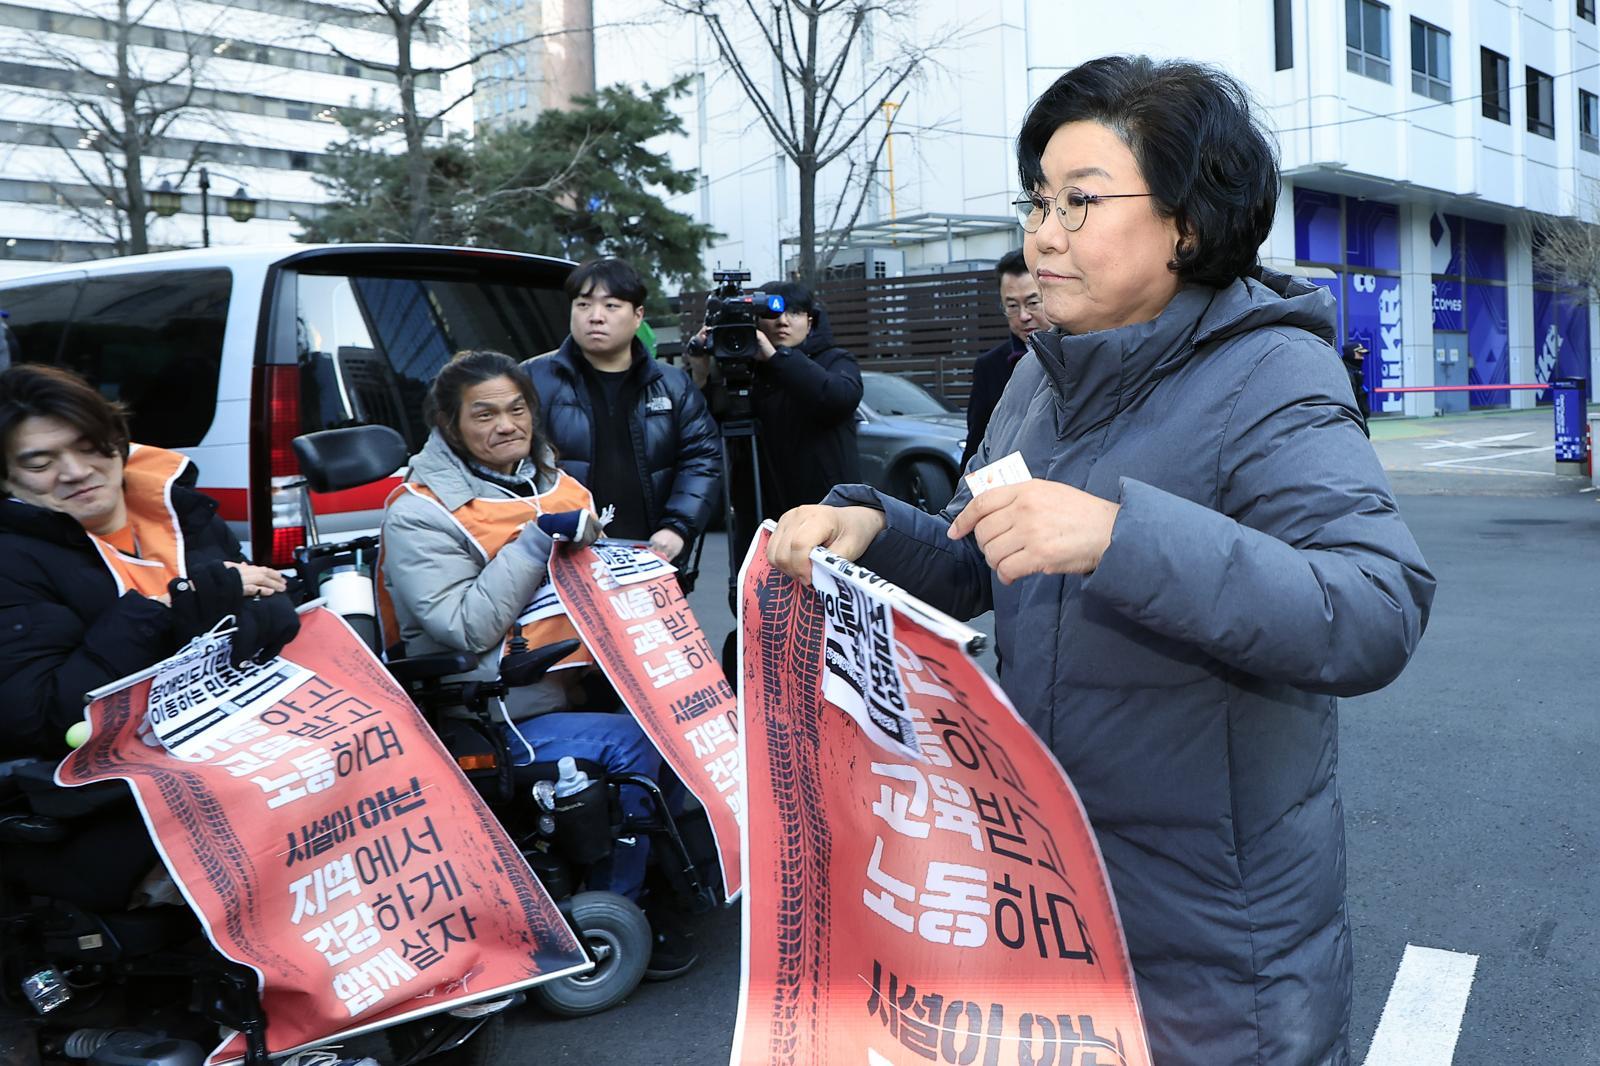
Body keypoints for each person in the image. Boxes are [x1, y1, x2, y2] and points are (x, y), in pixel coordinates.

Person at [769, 56, 1435, 1065]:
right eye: (1037, 200)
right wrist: (871, 527)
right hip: (1046, 901)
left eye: (1080, 201)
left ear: (1187, 223)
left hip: (1212, 943)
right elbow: (980, 551)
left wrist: (1122, 537)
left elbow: (1374, 605)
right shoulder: (1040, 383)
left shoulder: (1271, 371)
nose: (1043, 233)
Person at [378, 350, 696, 980]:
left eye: (518, 409)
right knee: (636, 742)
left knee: (693, 716)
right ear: (449, 424)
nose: (506, 425)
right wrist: (534, 539)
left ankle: (676, 875)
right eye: (485, 414)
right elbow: (463, 628)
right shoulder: (418, 511)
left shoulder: (560, 485)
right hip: (490, 707)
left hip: (571, 682)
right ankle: (617, 911)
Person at [0, 363, 298, 908]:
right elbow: (43, 715)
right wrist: (167, 607)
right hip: (122, 793)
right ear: (7, 479)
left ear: (117, 439)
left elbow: (278, 618)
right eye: (39, 463)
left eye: (89, 445)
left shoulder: (175, 507)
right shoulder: (13, 560)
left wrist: (200, 608)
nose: (74, 471)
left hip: (242, 747)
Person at [521, 258, 720, 571]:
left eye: (611, 306)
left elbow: (702, 459)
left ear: (637, 315)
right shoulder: (532, 380)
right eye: (583, 304)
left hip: (651, 558)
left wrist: (678, 527)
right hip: (557, 561)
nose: (595, 317)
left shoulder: (672, 385)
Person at [690, 279, 863, 561]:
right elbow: (705, 428)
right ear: (757, 322)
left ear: (810, 321)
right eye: (772, 314)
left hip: (824, 510)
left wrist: (775, 357)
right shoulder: (742, 372)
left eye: (793, 313)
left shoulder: (835, 360)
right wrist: (701, 374)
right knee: (754, 597)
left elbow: (838, 398)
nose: (782, 321)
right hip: (759, 512)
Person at [960, 250, 1047, 470]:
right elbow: (976, 444)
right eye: (1012, 306)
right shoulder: (989, 367)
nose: (1024, 316)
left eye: (1033, 302)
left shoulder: (1082, 354)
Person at [1341, 340, 1372, 435]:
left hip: (1359, 420)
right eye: (1359, 354)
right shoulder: (1345, 373)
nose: (1362, 358)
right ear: (1351, 355)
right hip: (1351, 423)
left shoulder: (1356, 372)